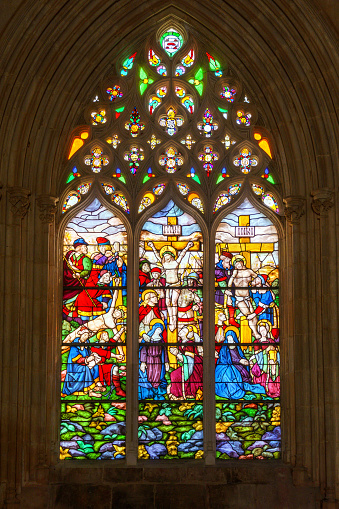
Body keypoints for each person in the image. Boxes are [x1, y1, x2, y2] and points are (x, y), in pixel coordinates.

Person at [148, 241, 194, 332]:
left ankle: (174, 319)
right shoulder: (164, 264)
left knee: (174, 302)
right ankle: (171, 320)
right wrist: (152, 246)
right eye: (164, 257)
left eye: (167, 256)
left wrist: (187, 246)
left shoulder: (176, 263)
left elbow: (182, 254)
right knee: (168, 302)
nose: (166, 258)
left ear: (171, 256)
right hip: (168, 285)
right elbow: (157, 255)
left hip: (176, 284)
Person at [215, 329, 266, 399]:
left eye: (231, 338)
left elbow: (241, 356)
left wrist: (245, 361)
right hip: (225, 369)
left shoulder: (237, 348)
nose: (230, 340)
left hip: (238, 367)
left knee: (242, 375)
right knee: (229, 372)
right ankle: (233, 390)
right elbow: (223, 360)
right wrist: (239, 360)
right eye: (228, 338)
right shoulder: (224, 349)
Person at [226, 256, 260, 339]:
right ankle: (255, 333)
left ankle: (254, 332)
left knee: (253, 315)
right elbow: (229, 285)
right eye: (236, 264)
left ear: (242, 262)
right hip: (239, 298)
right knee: (249, 315)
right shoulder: (235, 273)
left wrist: (255, 284)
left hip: (248, 297)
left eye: (239, 263)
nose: (238, 265)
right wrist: (233, 275)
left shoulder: (249, 271)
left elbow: (258, 278)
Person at [61, 327, 101, 398]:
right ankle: (90, 391)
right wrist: (88, 360)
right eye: (85, 335)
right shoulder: (74, 345)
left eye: (87, 335)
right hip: (74, 367)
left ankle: (96, 384)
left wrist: (93, 356)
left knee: (96, 366)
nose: (86, 337)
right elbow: (77, 360)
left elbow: (88, 353)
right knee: (85, 369)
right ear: (81, 335)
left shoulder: (86, 343)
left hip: (84, 363)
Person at [168, 326, 203, 400]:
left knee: (175, 374)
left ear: (187, 335)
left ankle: (183, 394)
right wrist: (177, 354)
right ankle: (178, 393)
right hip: (187, 363)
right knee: (173, 374)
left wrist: (177, 354)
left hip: (195, 365)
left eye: (183, 332)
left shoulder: (190, 343)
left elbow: (189, 357)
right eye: (181, 330)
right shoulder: (180, 343)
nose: (180, 332)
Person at [63, 238, 93, 323]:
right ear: (79, 247)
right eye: (85, 247)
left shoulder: (86, 259)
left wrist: (80, 275)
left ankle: (76, 318)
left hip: (80, 283)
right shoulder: (69, 257)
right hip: (68, 281)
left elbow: (87, 271)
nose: (86, 249)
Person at [89, 329, 126, 397]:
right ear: (101, 337)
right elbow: (104, 353)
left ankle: (118, 390)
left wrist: (121, 330)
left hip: (103, 366)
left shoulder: (106, 346)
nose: (107, 336)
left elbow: (114, 340)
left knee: (115, 368)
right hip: (95, 368)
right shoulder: (94, 346)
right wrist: (116, 356)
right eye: (105, 335)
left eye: (107, 335)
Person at [139, 320, 169, 400]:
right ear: (154, 329)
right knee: (150, 374)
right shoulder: (148, 339)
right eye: (158, 329)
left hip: (158, 360)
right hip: (149, 359)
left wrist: (166, 362)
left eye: (161, 329)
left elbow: (164, 352)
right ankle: (151, 392)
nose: (160, 330)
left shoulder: (161, 340)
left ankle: (156, 391)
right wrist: (143, 362)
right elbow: (143, 350)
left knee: (158, 374)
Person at [250, 320, 280, 398]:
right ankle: (267, 385)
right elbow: (256, 354)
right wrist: (266, 351)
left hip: (271, 359)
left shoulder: (271, 341)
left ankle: (274, 383)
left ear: (267, 330)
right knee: (269, 363)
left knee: (273, 363)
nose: (262, 332)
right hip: (261, 362)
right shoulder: (257, 342)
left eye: (264, 330)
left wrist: (272, 351)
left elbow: (275, 351)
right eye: (261, 330)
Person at [215, 251, 239, 327]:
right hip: (221, 292)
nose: (227, 260)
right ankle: (223, 321)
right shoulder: (218, 269)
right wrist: (225, 291)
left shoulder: (232, 268)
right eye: (226, 258)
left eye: (229, 259)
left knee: (233, 302)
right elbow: (221, 282)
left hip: (232, 288)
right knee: (224, 304)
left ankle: (232, 319)